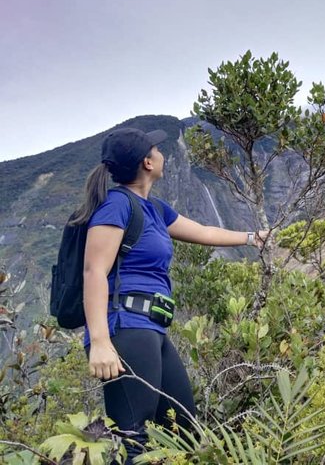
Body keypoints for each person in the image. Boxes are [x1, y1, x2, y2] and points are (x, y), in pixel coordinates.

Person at [73, 127, 266, 463]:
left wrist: (255, 237)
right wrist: (101, 342)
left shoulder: (154, 208)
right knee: (132, 437)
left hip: (152, 328)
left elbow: (205, 232)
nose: (162, 153)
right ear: (148, 162)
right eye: (156, 149)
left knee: (183, 428)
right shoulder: (117, 206)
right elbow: (94, 272)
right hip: (125, 328)